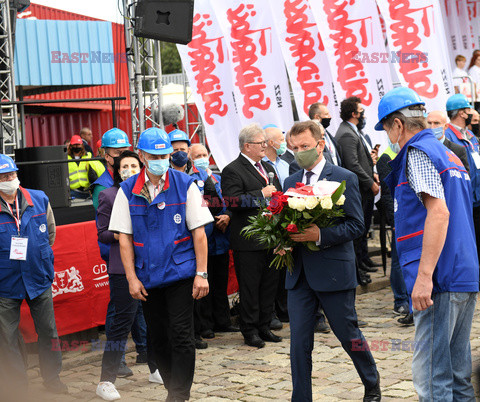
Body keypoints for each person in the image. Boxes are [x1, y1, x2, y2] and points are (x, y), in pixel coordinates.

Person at [377, 87, 479, 401]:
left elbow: (439, 212)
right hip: (463, 271)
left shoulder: (418, 152)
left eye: (386, 129)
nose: (387, 137)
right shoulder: (447, 152)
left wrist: (424, 277)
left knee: (432, 379)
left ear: (397, 125)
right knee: (459, 376)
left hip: (439, 277)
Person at [109, 127, 213, 402]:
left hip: (180, 272)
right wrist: (131, 278)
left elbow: (199, 233)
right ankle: (171, 385)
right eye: (155, 155)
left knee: (181, 334)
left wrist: (201, 273)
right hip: (147, 276)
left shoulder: (184, 184)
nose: (161, 159)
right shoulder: (127, 191)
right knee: (158, 337)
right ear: (143, 156)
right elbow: (124, 239)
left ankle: (179, 394)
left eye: (165, 154)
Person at [283, 121, 380, 402]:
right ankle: (301, 398)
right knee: (299, 342)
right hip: (299, 275)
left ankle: (371, 383)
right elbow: (286, 225)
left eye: (305, 146)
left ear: (320, 144)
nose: (300, 152)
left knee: (347, 334)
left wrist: (320, 234)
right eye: (295, 148)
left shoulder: (343, 177)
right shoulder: (290, 182)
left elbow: (356, 225)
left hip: (333, 272)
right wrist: (282, 242)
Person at [95, 151, 162, 401]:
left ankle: (156, 367)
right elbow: (102, 233)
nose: (131, 169)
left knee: (155, 318)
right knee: (121, 324)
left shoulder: (150, 192)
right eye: (125, 166)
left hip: (152, 265)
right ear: (117, 170)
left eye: (135, 165)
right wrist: (125, 233)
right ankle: (106, 379)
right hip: (123, 269)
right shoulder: (109, 195)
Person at [0, 154, 67, 396]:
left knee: (48, 331)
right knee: (6, 337)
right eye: (4, 176)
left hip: (38, 277)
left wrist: (39, 258)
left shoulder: (38, 199)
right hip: (5, 282)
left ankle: (52, 377)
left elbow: (50, 234)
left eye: (12, 175)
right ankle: (16, 384)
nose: (9, 179)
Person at [221, 123, 283, 348]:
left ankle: (265, 325)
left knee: (269, 286)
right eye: (261, 143)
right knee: (250, 287)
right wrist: (261, 194)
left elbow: (277, 194)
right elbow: (232, 201)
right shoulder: (233, 169)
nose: (265, 146)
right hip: (247, 241)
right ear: (247, 145)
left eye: (266, 142)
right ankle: (250, 329)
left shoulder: (268, 167)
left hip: (270, 237)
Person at [189, 144, 238, 340]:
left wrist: (227, 214)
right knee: (204, 285)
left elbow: (228, 200)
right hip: (205, 239)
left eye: (204, 154)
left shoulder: (217, 177)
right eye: (197, 155)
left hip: (222, 238)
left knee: (221, 282)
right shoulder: (192, 180)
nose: (202, 158)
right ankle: (205, 325)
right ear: (191, 159)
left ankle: (223, 321)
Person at [335, 97, 380, 285]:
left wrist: (373, 170)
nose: (364, 115)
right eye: (361, 111)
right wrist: (370, 182)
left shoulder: (356, 131)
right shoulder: (346, 133)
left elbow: (361, 158)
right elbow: (352, 164)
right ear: (354, 114)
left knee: (364, 229)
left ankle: (362, 260)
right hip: (358, 189)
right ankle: (356, 269)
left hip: (365, 187)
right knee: (357, 230)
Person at [376, 147, 412, 325]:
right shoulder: (387, 157)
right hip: (399, 216)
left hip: (414, 215)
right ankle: (401, 300)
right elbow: (387, 194)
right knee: (399, 260)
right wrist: (395, 220)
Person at [444, 94, 480, 266]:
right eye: (468, 110)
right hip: (464, 198)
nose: (472, 113)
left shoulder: (471, 135)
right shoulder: (448, 137)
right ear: (461, 114)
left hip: (477, 197)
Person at [262, 125, 290, 329]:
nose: (285, 142)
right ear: (271, 143)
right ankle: (271, 311)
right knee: (271, 271)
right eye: (281, 138)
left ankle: (285, 307)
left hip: (287, 218)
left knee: (285, 267)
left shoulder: (287, 163)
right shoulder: (262, 167)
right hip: (267, 222)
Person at [91, 128, 132, 211]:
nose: (123, 156)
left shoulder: (132, 177)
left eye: (125, 152)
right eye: (118, 152)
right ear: (107, 157)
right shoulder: (101, 187)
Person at [67, 135, 105, 199]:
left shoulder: (88, 156)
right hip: (73, 192)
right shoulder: (66, 158)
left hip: (87, 191)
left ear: (82, 145)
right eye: (75, 145)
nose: (76, 146)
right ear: (71, 146)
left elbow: (99, 170)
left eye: (78, 144)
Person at [309, 102, 342, 166]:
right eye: (326, 114)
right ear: (317, 117)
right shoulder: (312, 138)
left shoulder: (328, 134)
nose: (330, 116)